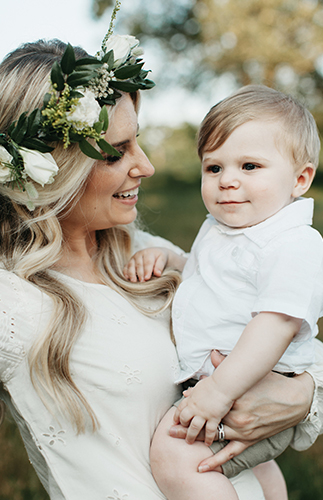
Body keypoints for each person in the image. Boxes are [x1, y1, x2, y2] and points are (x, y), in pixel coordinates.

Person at [0, 10, 322, 497]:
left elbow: (271, 323)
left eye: (140, 142)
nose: (146, 167)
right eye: (116, 151)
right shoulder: (13, 303)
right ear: (52, 170)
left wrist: (304, 395)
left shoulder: (147, 251)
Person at [124, 85, 323, 500]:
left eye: (250, 166)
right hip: (226, 384)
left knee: (175, 455)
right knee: (255, 464)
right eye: (214, 168)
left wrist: (218, 392)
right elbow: (211, 273)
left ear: (300, 179)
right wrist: (172, 259)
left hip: (256, 386)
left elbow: (277, 323)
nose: (228, 181)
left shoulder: (292, 243)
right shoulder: (223, 228)